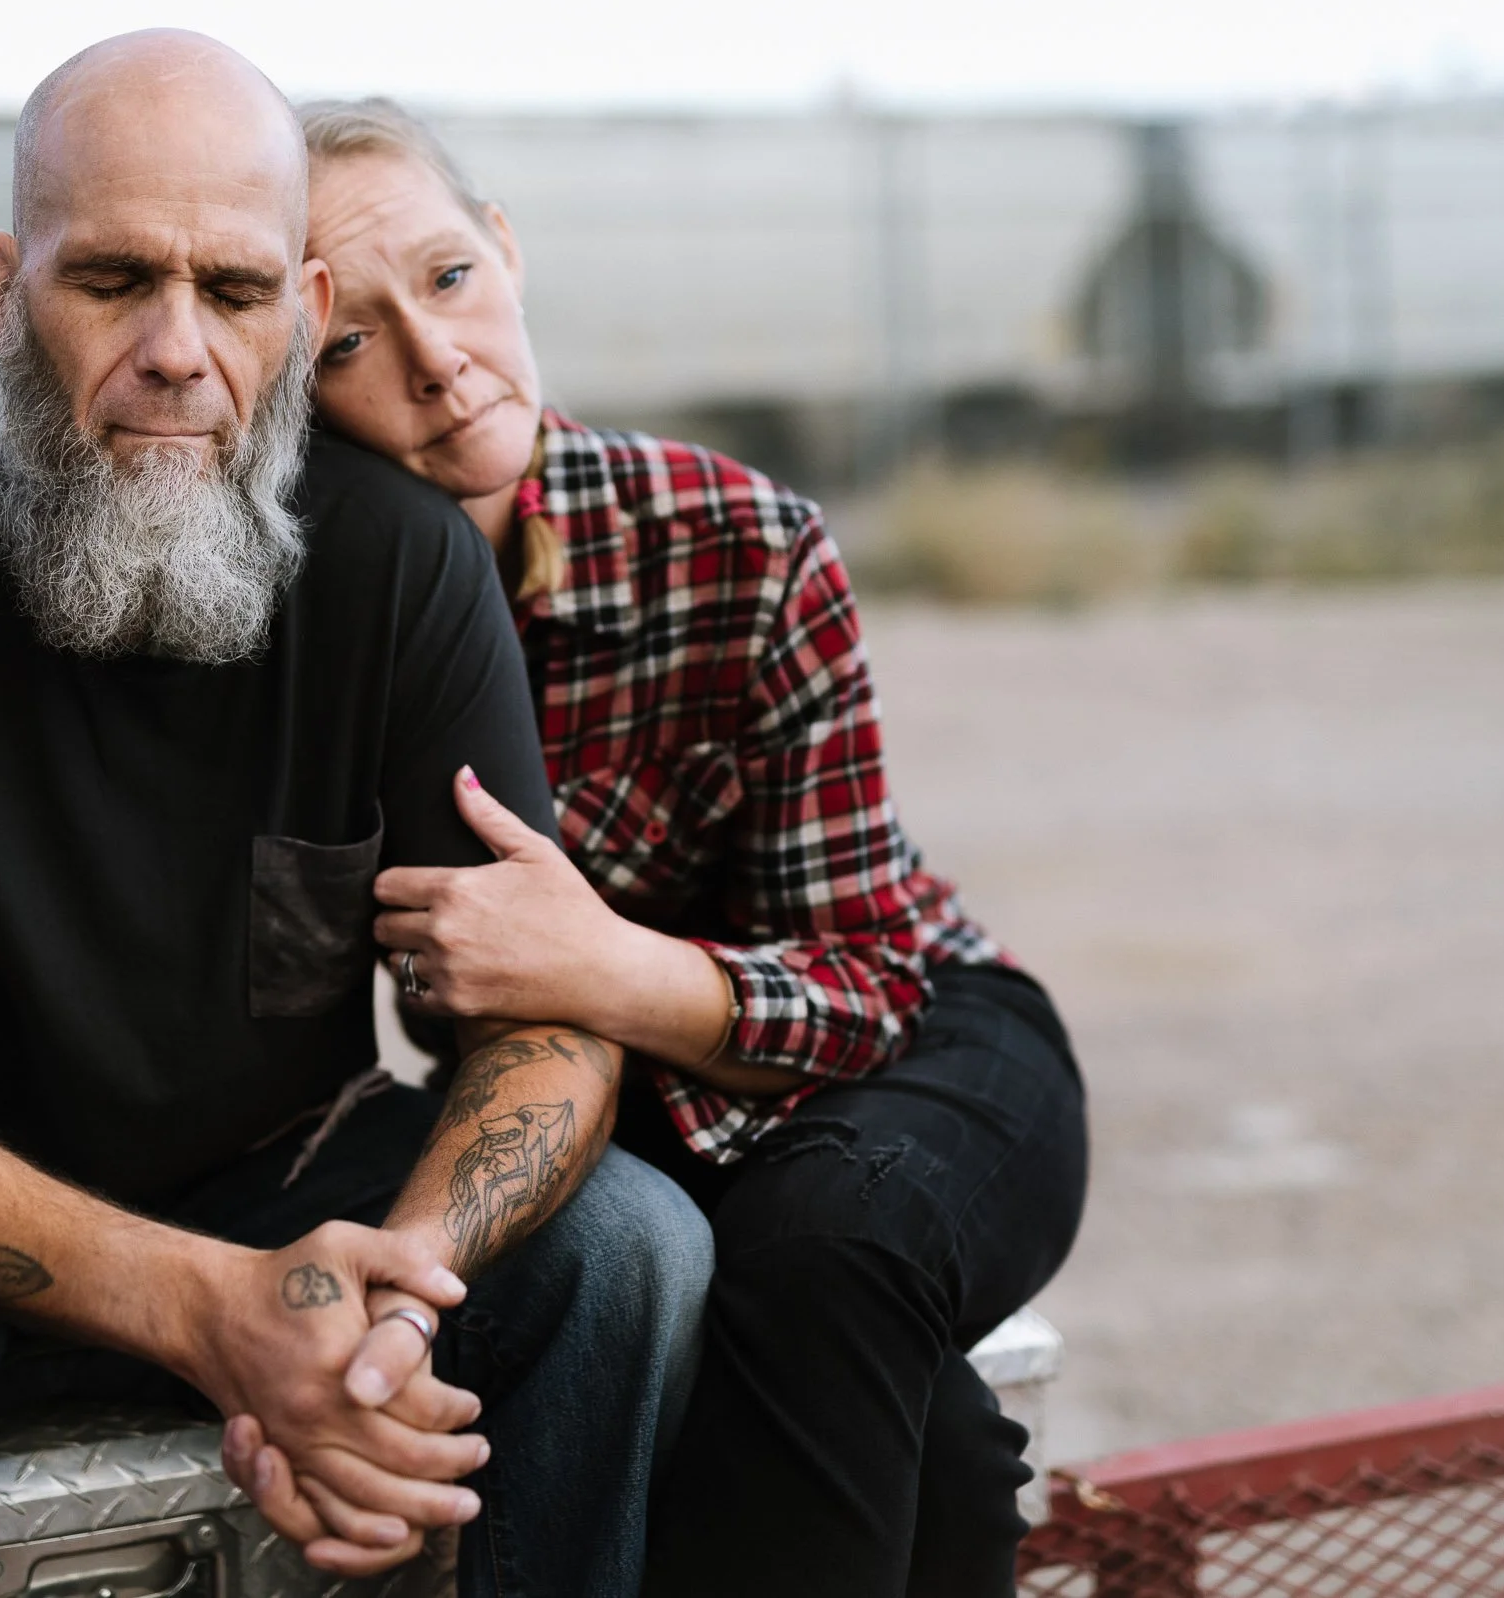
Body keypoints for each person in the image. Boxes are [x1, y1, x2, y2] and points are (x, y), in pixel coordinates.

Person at [0, 33, 712, 1598]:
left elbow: (549, 1034)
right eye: (114, 279)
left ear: (304, 314)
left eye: (238, 290)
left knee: (630, 1247)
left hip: (281, 1193)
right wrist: (214, 1308)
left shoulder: (404, 567)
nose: (179, 349)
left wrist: (379, 1316)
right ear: (4, 293)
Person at [245, 97, 1092, 1598]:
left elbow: (871, 983)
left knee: (825, 1255)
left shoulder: (738, 542)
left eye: (448, 277)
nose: (442, 361)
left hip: (914, 1050)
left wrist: (601, 964)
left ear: (505, 249)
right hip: (624, 1128)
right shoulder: (289, 638)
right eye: (349, 344)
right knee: (934, 1450)